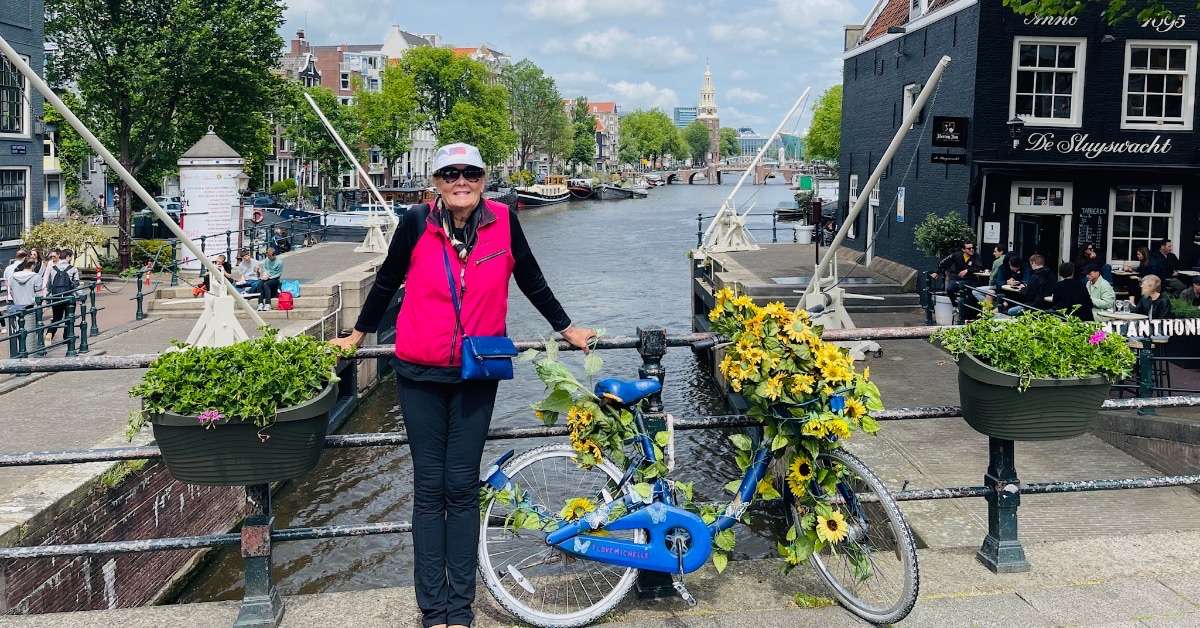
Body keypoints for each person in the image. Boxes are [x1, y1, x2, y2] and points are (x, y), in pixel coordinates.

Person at [330, 143, 594, 628]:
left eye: (470, 173)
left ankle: (461, 608)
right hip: (420, 371)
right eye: (449, 174)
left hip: (477, 371)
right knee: (430, 488)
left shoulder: (503, 221)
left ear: (483, 178)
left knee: (462, 485)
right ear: (435, 181)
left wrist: (566, 327)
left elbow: (531, 279)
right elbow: (387, 281)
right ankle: (434, 610)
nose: (460, 182)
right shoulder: (416, 222)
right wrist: (356, 334)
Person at [43, 248, 81, 342]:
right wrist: (80, 297)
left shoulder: (53, 269)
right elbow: (76, 284)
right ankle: (67, 336)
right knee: (69, 317)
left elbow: (49, 285)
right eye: (70, 257)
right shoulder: (73, 269)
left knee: (56, 317)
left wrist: (48, 297)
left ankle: (49, 333)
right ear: (68, 257)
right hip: (69, 297)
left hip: (57, 297)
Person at [7, 260, 40, 349]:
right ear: (32, 266)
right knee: (32, 331)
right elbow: (38, 291)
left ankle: (20, 350)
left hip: (17, 306)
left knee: (18, 331)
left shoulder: (12, 277)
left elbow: (11, 291)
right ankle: (33, 351)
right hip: (30, 306)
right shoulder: (36, 276)